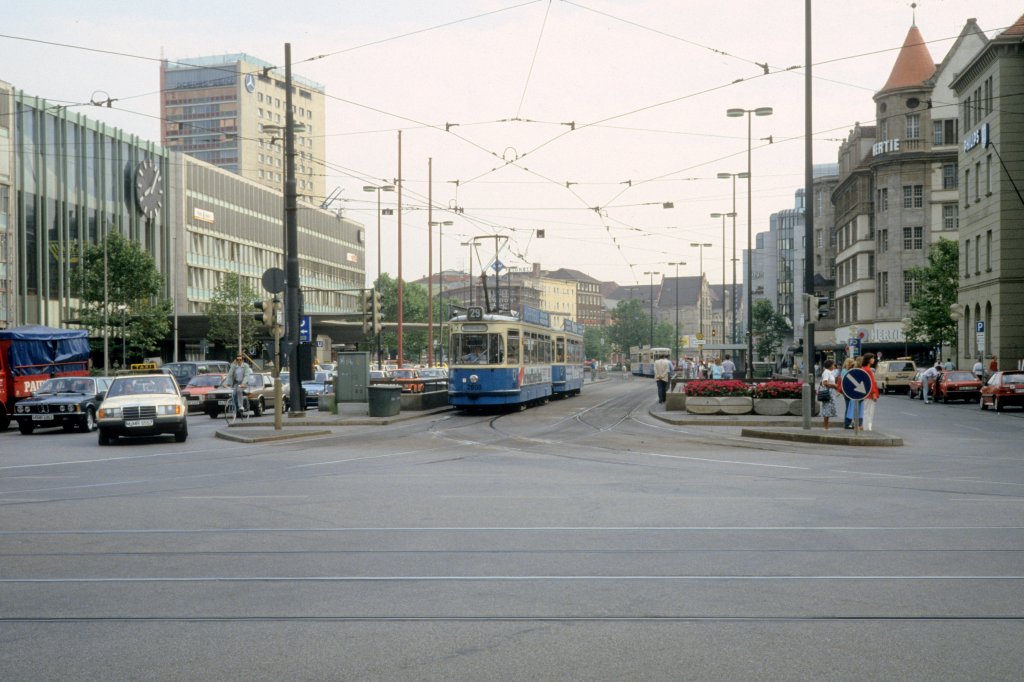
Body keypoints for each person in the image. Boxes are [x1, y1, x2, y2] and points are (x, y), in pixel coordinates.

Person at [818, 359, 840, 430]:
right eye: (833, 364)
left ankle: (826, 426)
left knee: (828, 409)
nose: (834, 366)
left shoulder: (830, 372)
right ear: (830, 365)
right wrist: (834, 385)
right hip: (828, 392)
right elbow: (824, 383)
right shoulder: (826, 372)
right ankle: (825, 427)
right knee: (826, 409)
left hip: (830, 392)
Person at [861, 353, 880, 431]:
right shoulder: (868, 370)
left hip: (866, 393)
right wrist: (874, 393)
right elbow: (871, 383)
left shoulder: (863, 368)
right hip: (870, 394)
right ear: (868, 360)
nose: (874, 360)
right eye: (872, 358)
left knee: (866, 411)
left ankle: (866, 428)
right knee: (869, 412)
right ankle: (868, 429)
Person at [840, 357, 857, 429]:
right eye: (852, 364)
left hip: (848, 391)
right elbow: (848, 381)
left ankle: (848, 423)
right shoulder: (845, 371)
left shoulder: (845, 370)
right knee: (849, 407)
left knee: (850, 407)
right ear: (848, 364)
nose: (853, 366)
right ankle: (847, 424)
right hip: (847, 391)